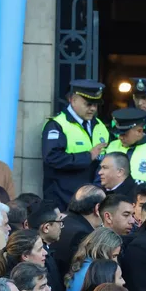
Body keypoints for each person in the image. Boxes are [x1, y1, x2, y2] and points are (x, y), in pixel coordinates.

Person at [41, 80, 108, 208]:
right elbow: (52, 158)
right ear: (73, 100)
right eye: (88, 104)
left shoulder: (100, 126)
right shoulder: (57, 125)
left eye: (95, 104)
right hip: (63, 199)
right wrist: (87, 156)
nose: (93, 108)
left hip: (91, 199)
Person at [64, 227, 121, 291]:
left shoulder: (83, 264)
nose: (116, 261)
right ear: (102, 251)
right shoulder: (93, 272)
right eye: (114, 256)